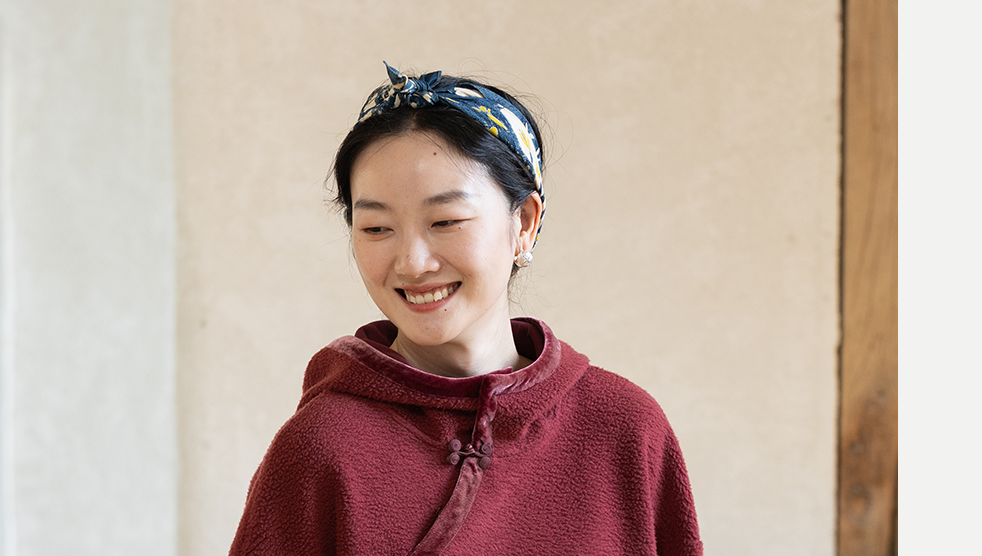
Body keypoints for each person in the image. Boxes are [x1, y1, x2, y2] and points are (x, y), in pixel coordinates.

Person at [228, 63, 703, 556]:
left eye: (446, 221)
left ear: (524, 222)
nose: (412, 263)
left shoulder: (626, 428)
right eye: (376, 228)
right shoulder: (320, 446)